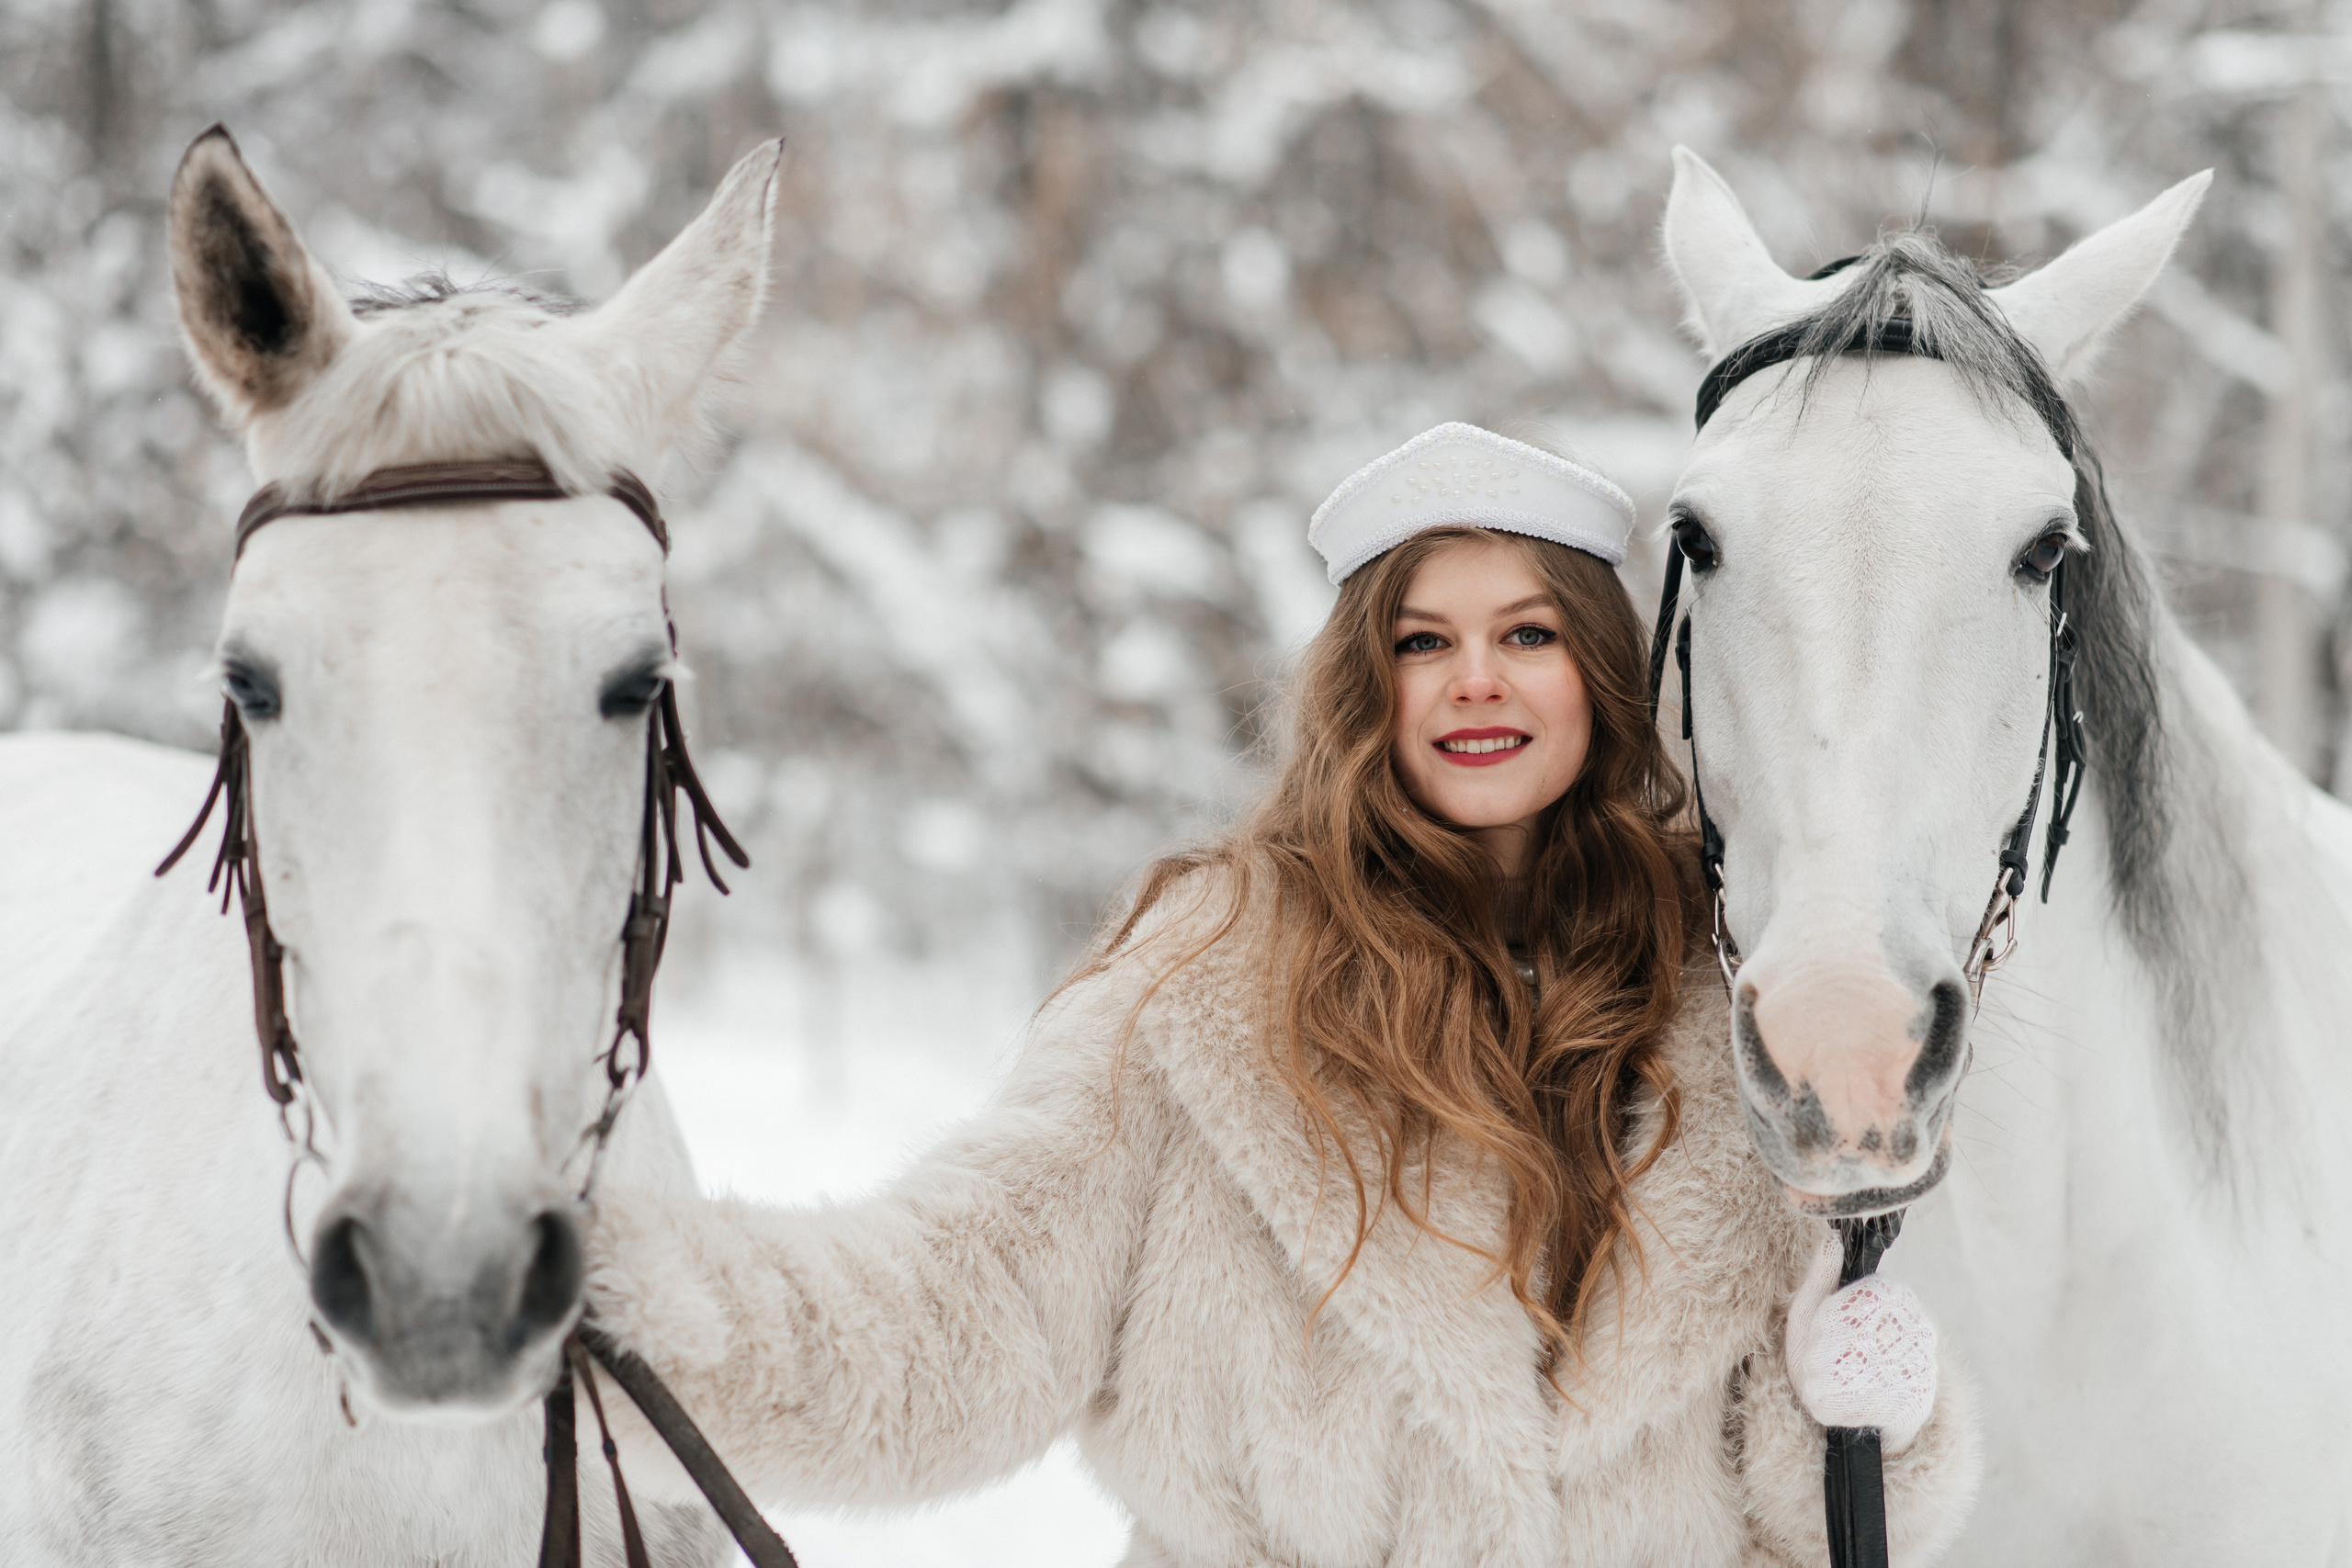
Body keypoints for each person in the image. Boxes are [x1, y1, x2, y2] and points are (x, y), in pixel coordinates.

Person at [584, 423, 1977, 1565]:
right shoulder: (1202, 982)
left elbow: (1822, 1520)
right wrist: (625, 1293)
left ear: (1601, 672)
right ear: (1367, 682)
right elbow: (959, 1318)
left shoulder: (1745, 1003)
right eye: (1423, 642)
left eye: (1530, 634)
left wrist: (1880, 1416)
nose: (1474, 680)